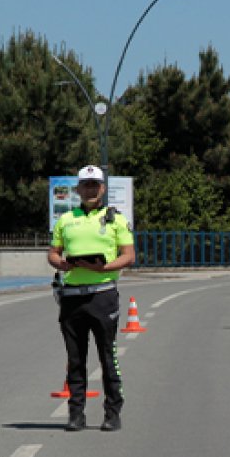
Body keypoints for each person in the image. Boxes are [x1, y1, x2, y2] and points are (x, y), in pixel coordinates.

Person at [48, 164, 135, 432]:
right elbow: (53, 253)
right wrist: (62, 265)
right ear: (78, 189)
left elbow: (128, 255)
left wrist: (104, 268)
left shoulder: (115, 219)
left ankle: (112, 412)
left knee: (107, 356)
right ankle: (76, 414)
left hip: (103, 295)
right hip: (72, 297)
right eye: (85, 185)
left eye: (94, 185)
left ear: (102, 188)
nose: (90, 189)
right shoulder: (66, 219)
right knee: (75, 358)